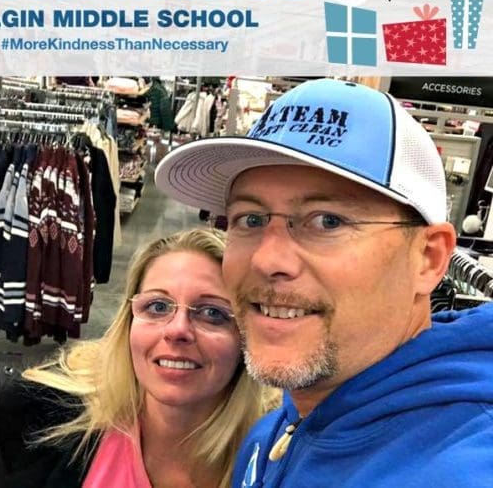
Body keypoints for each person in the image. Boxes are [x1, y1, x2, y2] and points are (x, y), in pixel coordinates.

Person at [155, 78, 493, 487]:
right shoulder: (275, 433)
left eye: (327, 221)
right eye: (250, 219)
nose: (267, 259)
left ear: (429, 258)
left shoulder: (462, 467)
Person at [0, 228, 274, 488]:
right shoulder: (33, 418)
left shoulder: (279, 457)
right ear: (128, 322)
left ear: (246, 338)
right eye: (157, 307)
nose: (178, 330)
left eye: (212, 313)